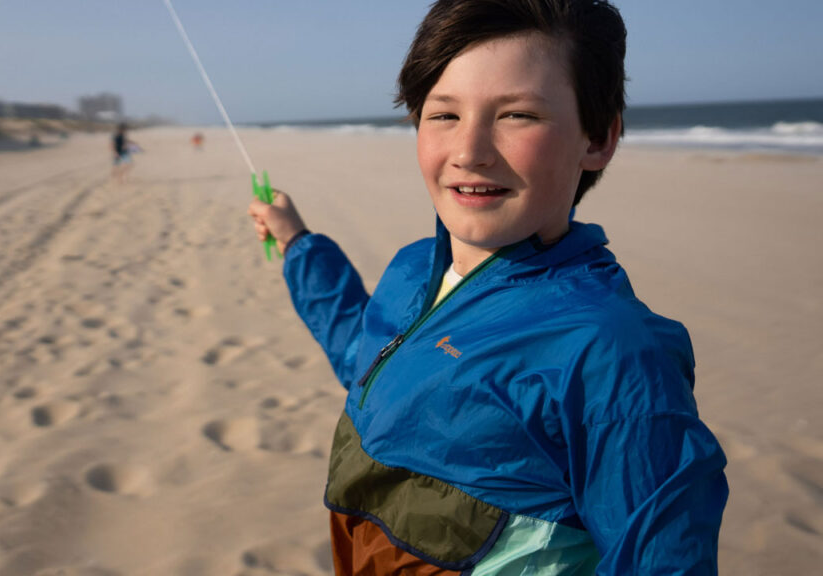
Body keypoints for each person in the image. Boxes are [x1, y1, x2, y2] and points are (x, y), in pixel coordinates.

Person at [247, 1, 728, 574]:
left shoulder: (611, 350)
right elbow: (365, 357)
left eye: (517, 115)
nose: (469, 152)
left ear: (597, 138)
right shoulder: (412, 268)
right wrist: (300, 245)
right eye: (444, 115)